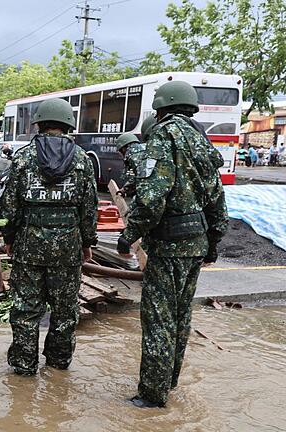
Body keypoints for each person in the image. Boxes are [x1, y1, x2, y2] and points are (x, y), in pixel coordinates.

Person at [117, 80, 228, 408]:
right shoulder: (200, 139)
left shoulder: (163, 135)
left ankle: (152, 395)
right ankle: (170, 380)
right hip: (196, 244)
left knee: (158, 318)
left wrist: (128, 236)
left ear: (162, 107)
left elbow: (152, 198)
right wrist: (214, 241)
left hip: (168, 246)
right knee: (181, 315)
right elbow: (216, 197)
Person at [0, 98, 98, 376]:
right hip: (68, 246)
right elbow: (89, 207)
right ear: (68, 124)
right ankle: (58, 363)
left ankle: (23, 365)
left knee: (25, 308)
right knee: (65, 309)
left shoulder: (23, 157)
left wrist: (9, 236)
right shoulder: (82, 159)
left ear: (39, 124)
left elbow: (10, 205)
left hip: (29, 244)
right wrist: (87, 242)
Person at [115, 133, 145, 199]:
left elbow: (141, 177)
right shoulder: (144, 147)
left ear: (123, 149)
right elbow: (138, 175)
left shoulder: (133, 155)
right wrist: (125, 189)